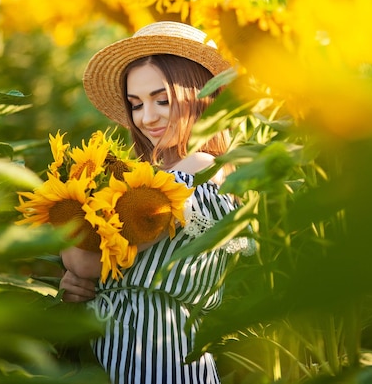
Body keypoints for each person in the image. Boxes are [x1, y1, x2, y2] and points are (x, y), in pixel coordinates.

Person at [59, 21, 252, 384]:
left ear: (199, 95)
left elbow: (84, 261)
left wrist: (71, 217)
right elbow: (87, 265)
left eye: (162, 100)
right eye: (136, 104)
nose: (147, 117)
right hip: (117, 364)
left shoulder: (198, 171)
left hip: (164, 367)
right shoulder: (144, 178)